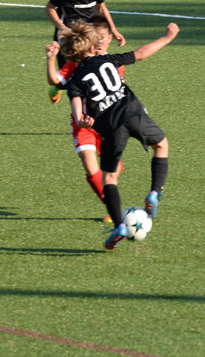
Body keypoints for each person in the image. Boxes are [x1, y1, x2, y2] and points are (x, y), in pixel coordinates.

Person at [64, 20, 180, 249]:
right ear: (92, 46)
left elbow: (77, 114)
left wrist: (82, 121)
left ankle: (119, 225)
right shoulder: (108, 59)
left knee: (109, 178)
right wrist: (166, 38)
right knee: (162, 145)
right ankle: (154, 192)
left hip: (110, 127)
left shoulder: (75, 81)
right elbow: (140, 54)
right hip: (133, 114)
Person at [45, 15, 123, 222]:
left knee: (112, 169)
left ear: (109, 38)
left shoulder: (113, 63)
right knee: (89, 165)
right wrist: (51, 58)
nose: (99, 42)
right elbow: (54, 79)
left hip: (107, 124)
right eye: (96, 38)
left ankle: (113, 204)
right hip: (82, 125)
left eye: (103, 37)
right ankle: (114, 212)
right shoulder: (75, 64)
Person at [45, 0, 125, 103]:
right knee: (70, 73)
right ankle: (58, 87)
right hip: (70, 34)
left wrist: (114, 30)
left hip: (89, 33)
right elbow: (49, 8)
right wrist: (62, 28)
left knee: (90, 67)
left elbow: (101, 6)